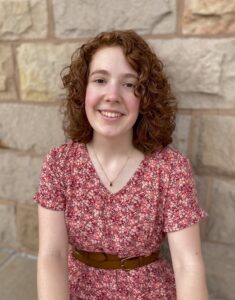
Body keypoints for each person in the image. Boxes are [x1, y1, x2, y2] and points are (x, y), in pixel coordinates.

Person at [34, 30, 208, 300]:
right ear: (84, 89)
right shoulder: (60, 163)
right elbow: (52, 256)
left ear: (145, 97)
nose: (112, 95)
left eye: (129, 84)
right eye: (100, 80)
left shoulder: (170, 168)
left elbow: (188, 265)